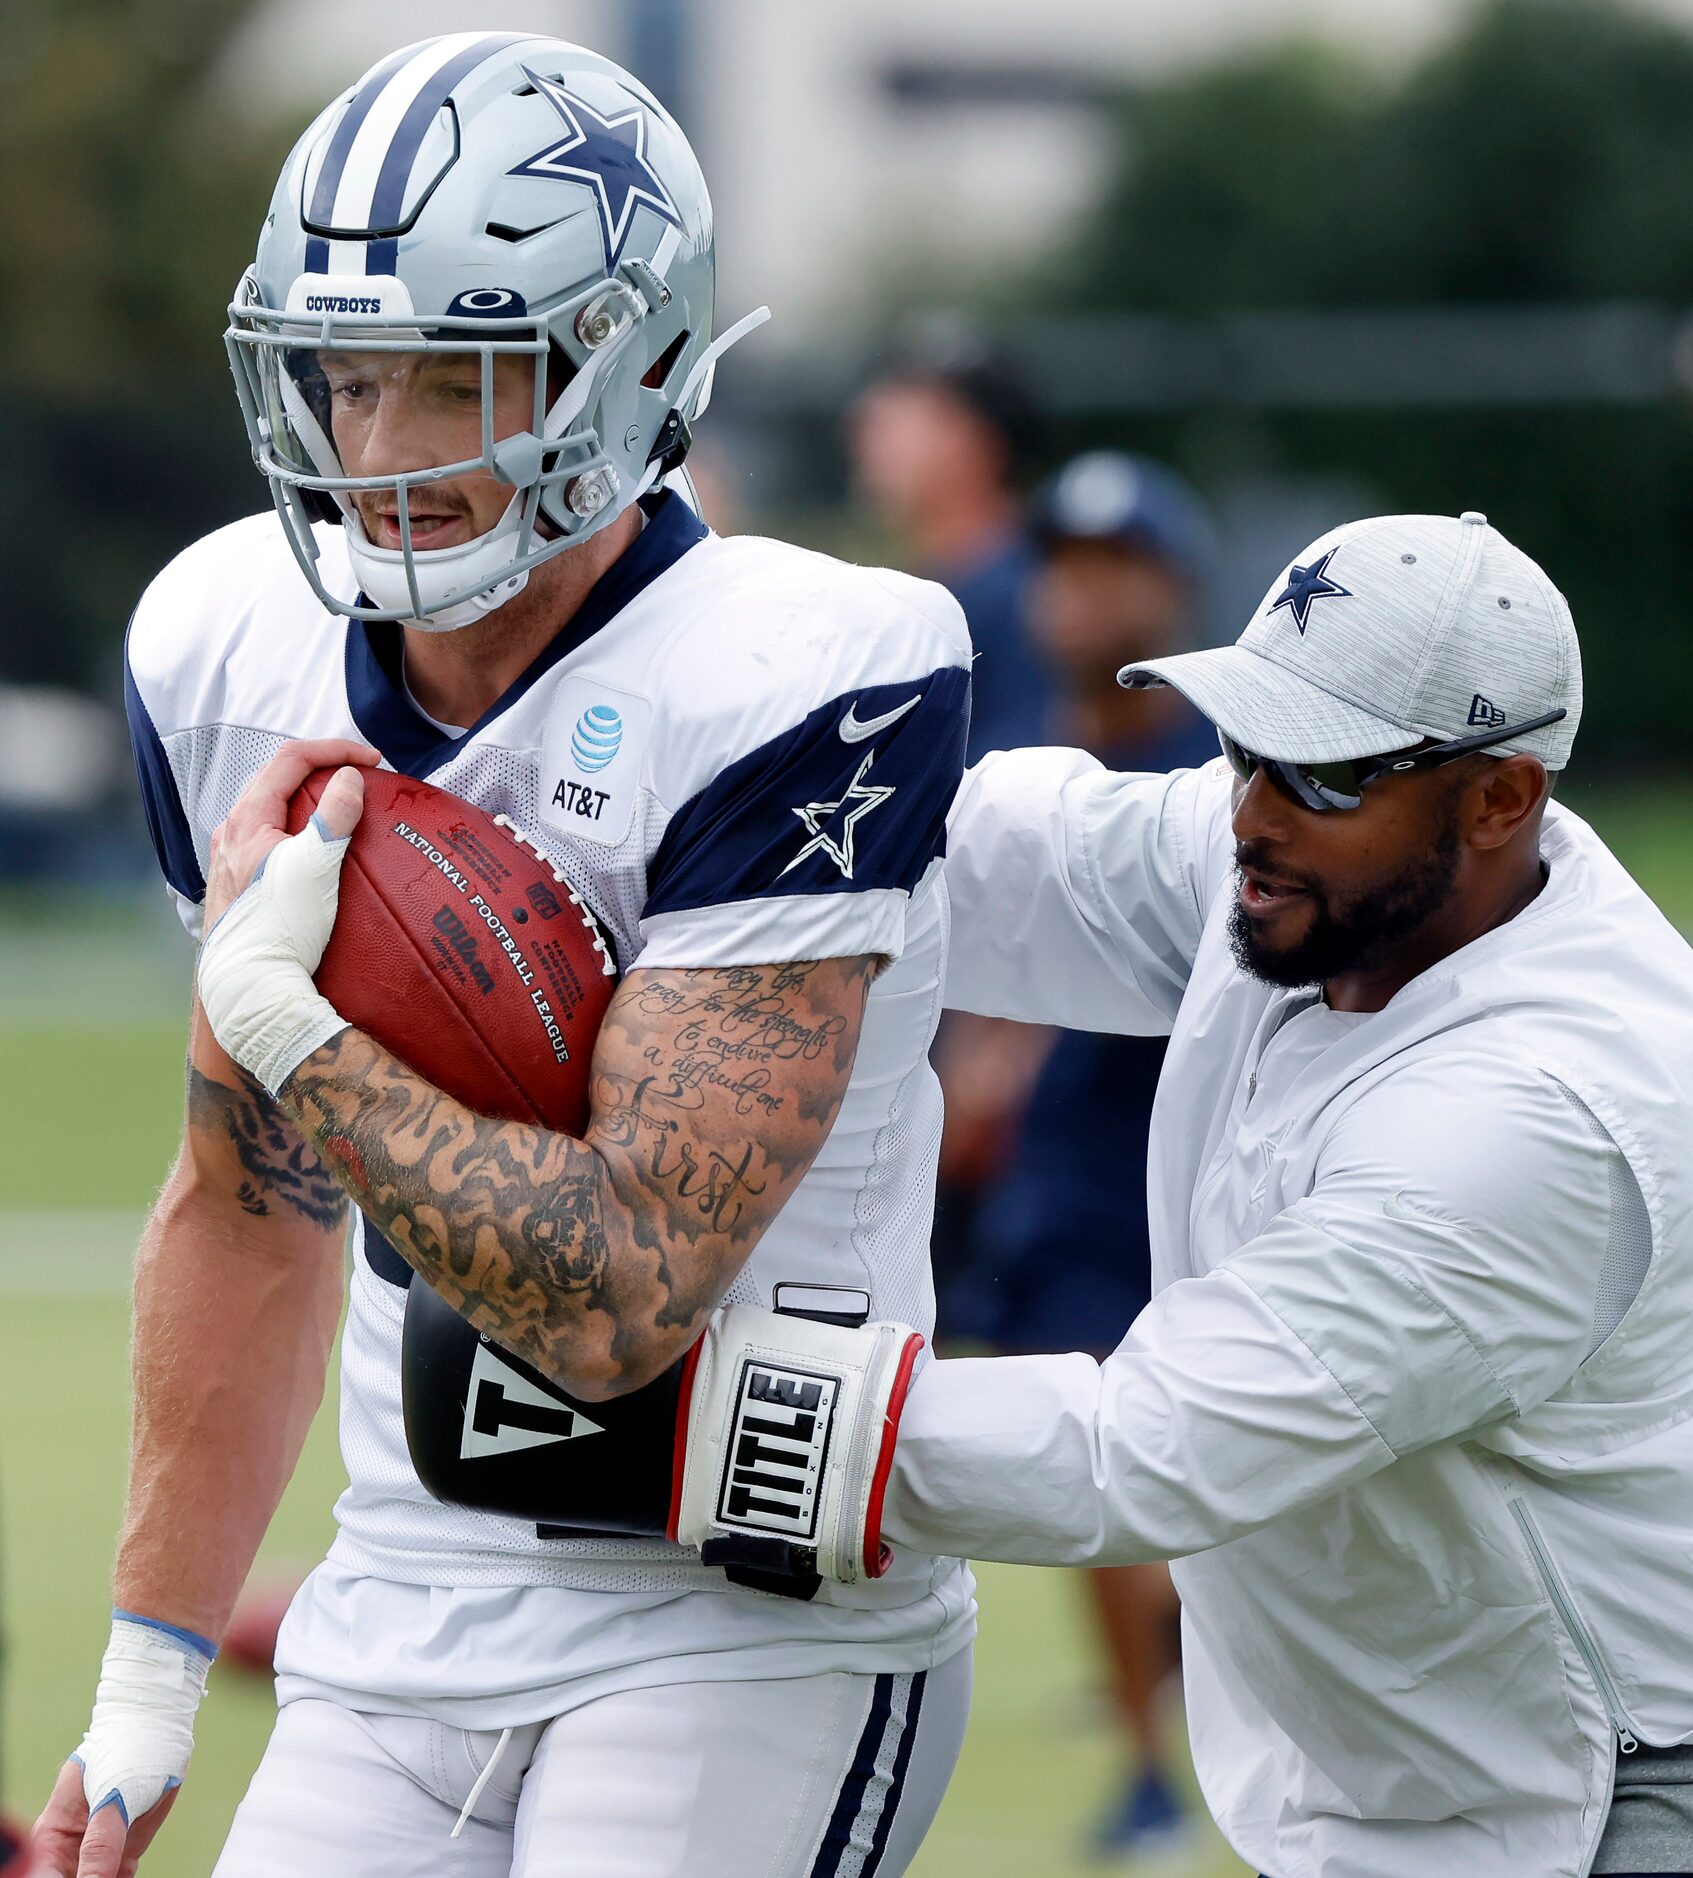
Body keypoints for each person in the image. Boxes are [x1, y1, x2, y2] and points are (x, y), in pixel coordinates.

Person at [401, 506, 1691, 1877]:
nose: (1249, 807)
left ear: (1501, 796)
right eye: (1248, 742)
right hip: (1432, 1781)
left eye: (1321, 775)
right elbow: (972, 849)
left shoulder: (1528, 1116)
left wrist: (671, 1421)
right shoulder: (1326, 873)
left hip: (1601, 1802)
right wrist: (581, 784)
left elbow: (1142, 1446)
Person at [38, 33, 974, 1878]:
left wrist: (280, 1018)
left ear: (621, 365)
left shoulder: (806, 667)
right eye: (347, 379)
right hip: (404, 1597)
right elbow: (250, 1206)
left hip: (741, 1610)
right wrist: (149, 1679)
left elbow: (620, 1292)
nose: (382, 452)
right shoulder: (222, 644)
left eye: (459, 381)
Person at [945, 450, 1216, 1863]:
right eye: (1063, 564)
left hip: (1177, 1167)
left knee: (1161, 1466)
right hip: (1061, 1190)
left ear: (1172, 585)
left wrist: (1011, 1060)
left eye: (1115, 565)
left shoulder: (1208, 762)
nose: (1083, 592)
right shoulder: (1030, 733)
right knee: (1086, 1457)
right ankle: (1148, 1758)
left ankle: (1183, 1711)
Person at [847, 319, 1050, 764]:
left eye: (909, 414)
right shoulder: (941, 584)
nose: (869, 428)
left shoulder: (1032, 596)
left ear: (980, 442)